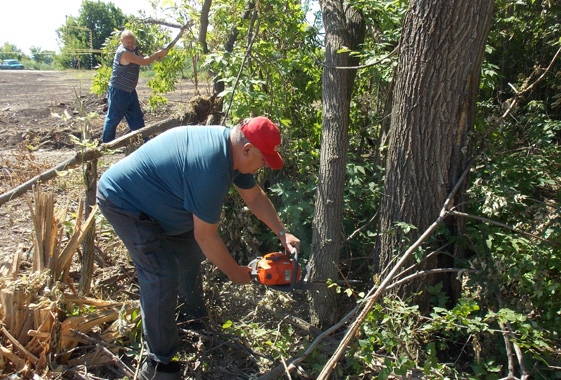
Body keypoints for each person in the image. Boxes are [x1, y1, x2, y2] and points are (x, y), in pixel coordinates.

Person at [96, 117, 300, 379]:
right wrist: (235, 273)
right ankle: (159, 365)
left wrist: (282, 233)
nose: (263, 165)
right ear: (248, 149)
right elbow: (206, 237)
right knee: (162, 274)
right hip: (125, 202)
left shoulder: (233, 152)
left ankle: (193, 317)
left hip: (163, 204)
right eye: (263, 159)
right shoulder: (211, 167)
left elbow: (254, 197)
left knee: (189, 256)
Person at [101, 30, 168, 143]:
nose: (131, 45)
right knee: (113, 118)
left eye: (132, 42)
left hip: (130, 91)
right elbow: (143, 61)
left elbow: (142, 57)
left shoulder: (132, 50)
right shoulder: (124, 53)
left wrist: (151, 53)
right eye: (128, 42)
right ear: (122, 41)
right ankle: (106, 144)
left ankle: (142, 141)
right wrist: (158, 54)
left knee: (136, 118)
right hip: (119, 91)